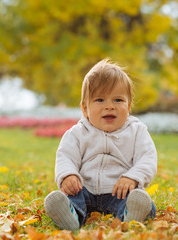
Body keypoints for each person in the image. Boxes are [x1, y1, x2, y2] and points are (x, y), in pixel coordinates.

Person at [44, 59, 157, 230]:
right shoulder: (77, 133)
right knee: (71, 197)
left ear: (129, 106)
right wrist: (68, 175)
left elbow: (147, 158)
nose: (110, 106)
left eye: (118, 100)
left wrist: (133, 177)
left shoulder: (137, 131)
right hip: (84, 190)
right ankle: (70, 215)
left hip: (119, 191)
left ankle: (131, 215)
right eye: (100, 100)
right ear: (85, 108)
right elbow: (66, 156)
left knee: (140, 199)